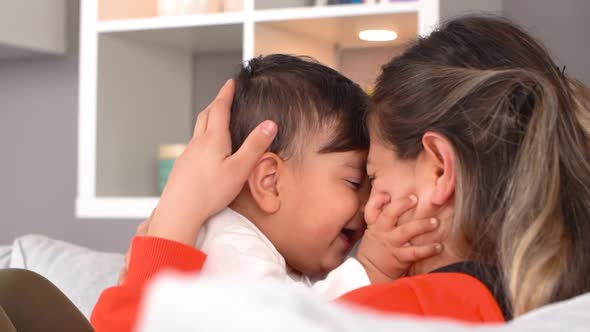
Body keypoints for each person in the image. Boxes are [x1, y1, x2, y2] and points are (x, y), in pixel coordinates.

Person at [191, 54, 442, 299]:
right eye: (354, 182)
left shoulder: (290, 257)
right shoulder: (230, 248)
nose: (367, 207)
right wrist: (369, 270)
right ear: (271, 183)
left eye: (372, 183)